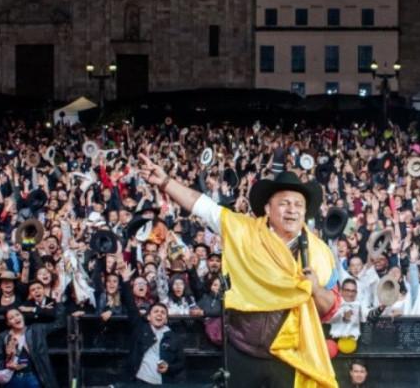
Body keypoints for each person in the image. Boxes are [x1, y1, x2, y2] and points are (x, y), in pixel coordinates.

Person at [140, 157, 340, 388]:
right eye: (284, 203)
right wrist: (165, 181)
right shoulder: (243, 231)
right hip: (242, 351)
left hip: (292, 356)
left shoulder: (320, 253)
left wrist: (314, 288)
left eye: (298, 204)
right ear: (267, 208)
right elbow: (202, 205)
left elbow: (330, 309)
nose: (292, 210)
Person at [120, 260, 185, 385]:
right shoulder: (140, 328)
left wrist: (169, 367)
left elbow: (181, 363)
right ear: (148, 317)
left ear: (166, 319)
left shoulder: (173, 338)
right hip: (139, 382)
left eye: (162, 312)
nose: (159, 314)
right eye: (156, 312)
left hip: (162, 382)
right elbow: (130, 305)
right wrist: (126, 281)